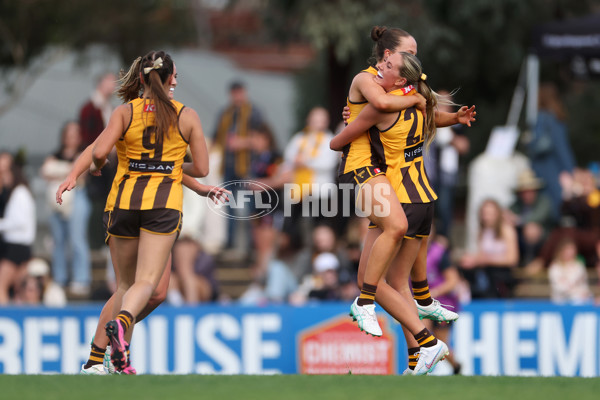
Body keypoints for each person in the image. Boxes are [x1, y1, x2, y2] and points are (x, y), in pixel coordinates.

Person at [58, 51, 227, 374]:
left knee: (133, 288)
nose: (176, 80)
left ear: (140, 78)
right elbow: (202, 167)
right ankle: (113, 338)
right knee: (147, 285)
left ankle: (103, 361)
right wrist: (179, 173)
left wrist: (88, 170)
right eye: (174, 75)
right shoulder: (186, 115)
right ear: (167, 79)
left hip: (122, 204)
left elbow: (99, 152)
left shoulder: (125, 112)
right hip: (161, 208)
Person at [332, 47, 451, 375]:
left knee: (375, 282)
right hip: (424, 199)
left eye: (387, 65)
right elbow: (431, 115)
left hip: (393, 194)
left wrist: (355, 122)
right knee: (397, 283)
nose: (378, 70)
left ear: (400, 78)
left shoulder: (382, 104)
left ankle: (424, 338)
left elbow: (338, 142)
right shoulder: (419, 104)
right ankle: (418, 356)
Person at [212, 80, 265, 250]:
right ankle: (231, 243)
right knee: (229, 207)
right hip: (228, 165)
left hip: (247, 166)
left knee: (250, 207)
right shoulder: (225, 113)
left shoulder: (254, 113)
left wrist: (240, 143)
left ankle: (251, 245)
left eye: (239, 92)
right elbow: (216, 139)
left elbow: (261, 141)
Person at [41, 121, 92, 296]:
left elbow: (82, 173)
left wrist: (61, 172)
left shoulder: (83, 153)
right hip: (58, 201)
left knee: (77, 238)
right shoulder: (55, 154)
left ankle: (81, 278)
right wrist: (68, 171)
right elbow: (45, 171)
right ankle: (60, 278)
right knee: (58, 241)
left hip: (77, 197)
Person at [281, 107, 339, 242]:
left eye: (321, 120)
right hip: (298, 191)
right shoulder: (300, 138)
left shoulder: (329, 139)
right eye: (315, 119)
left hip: (320, 192)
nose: (318, 123)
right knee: (292, 227)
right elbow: (288, 157)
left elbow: (328, 163)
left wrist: (305, 162)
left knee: (320, 226)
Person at [423, 90, 470, 237]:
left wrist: (449, 137)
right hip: (427, 174)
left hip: (446, 175)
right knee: (426, 210)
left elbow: (464, 147)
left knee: (444, 210)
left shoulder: (457, 126)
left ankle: (444, 242)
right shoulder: (425, 121)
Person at [79, 73, 118, 249]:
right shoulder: (90, 108)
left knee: (106, 201)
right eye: (110, 81)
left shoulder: (108, 107)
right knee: (97, 202)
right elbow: (88, 138)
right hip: (97, 161)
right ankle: (96, 243)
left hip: (108, 163)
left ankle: (103, 240)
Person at [527, 82, 575, 220]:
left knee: (547, 208)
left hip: (543, 169)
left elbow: (536, 145)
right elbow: (563, 149)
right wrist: (570, 170)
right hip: (555, 169)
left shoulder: (542, 117)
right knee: (559, 207)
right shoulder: (556, 118)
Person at [460, 199, 519, 298]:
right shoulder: (483, 232)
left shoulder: (507, 230)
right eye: (484, 214)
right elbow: (482, 255)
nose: (486, 217)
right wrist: (471, 259)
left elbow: (512, 259)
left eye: (489, 214)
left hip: (502, 274)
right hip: (486, 272)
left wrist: (486, 260)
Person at [0, 153, 36, 305]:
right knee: (18, 288)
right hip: (21, 248)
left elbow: (19, 222)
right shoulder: (18, 192)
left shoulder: (20, 193)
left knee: (1, 286)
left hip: (17, 248)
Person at [507, 168, 554, 266]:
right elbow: (508, 214)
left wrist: (518, 220)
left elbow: (537, 217)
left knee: (531, 229)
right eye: (523, 192)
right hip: (519, 239)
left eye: (529, 191)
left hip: (544, 240)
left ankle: (532, 261)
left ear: (535, 190)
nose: (526, 195)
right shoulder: (517, 205)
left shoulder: (544, 201)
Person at [548, 237, 592, 304]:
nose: (570, 252)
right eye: (567, 250)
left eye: (572, 250)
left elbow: (581, 284)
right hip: (560, 301)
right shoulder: (555, 267)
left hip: (579, 301)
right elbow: (558, 286)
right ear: (561, 251)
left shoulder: (579, 266)